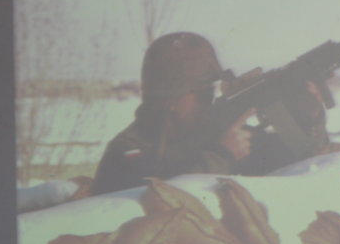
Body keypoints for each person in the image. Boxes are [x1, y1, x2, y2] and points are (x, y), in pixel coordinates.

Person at [91, 32, 327, 195]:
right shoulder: (128, 152)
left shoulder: (218, 133)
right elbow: (158, 207)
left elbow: (305, 162)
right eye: (203, 94)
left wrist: (309, 119)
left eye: (210, 91)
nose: (210, 101)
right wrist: (222, 156)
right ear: (172, 100)